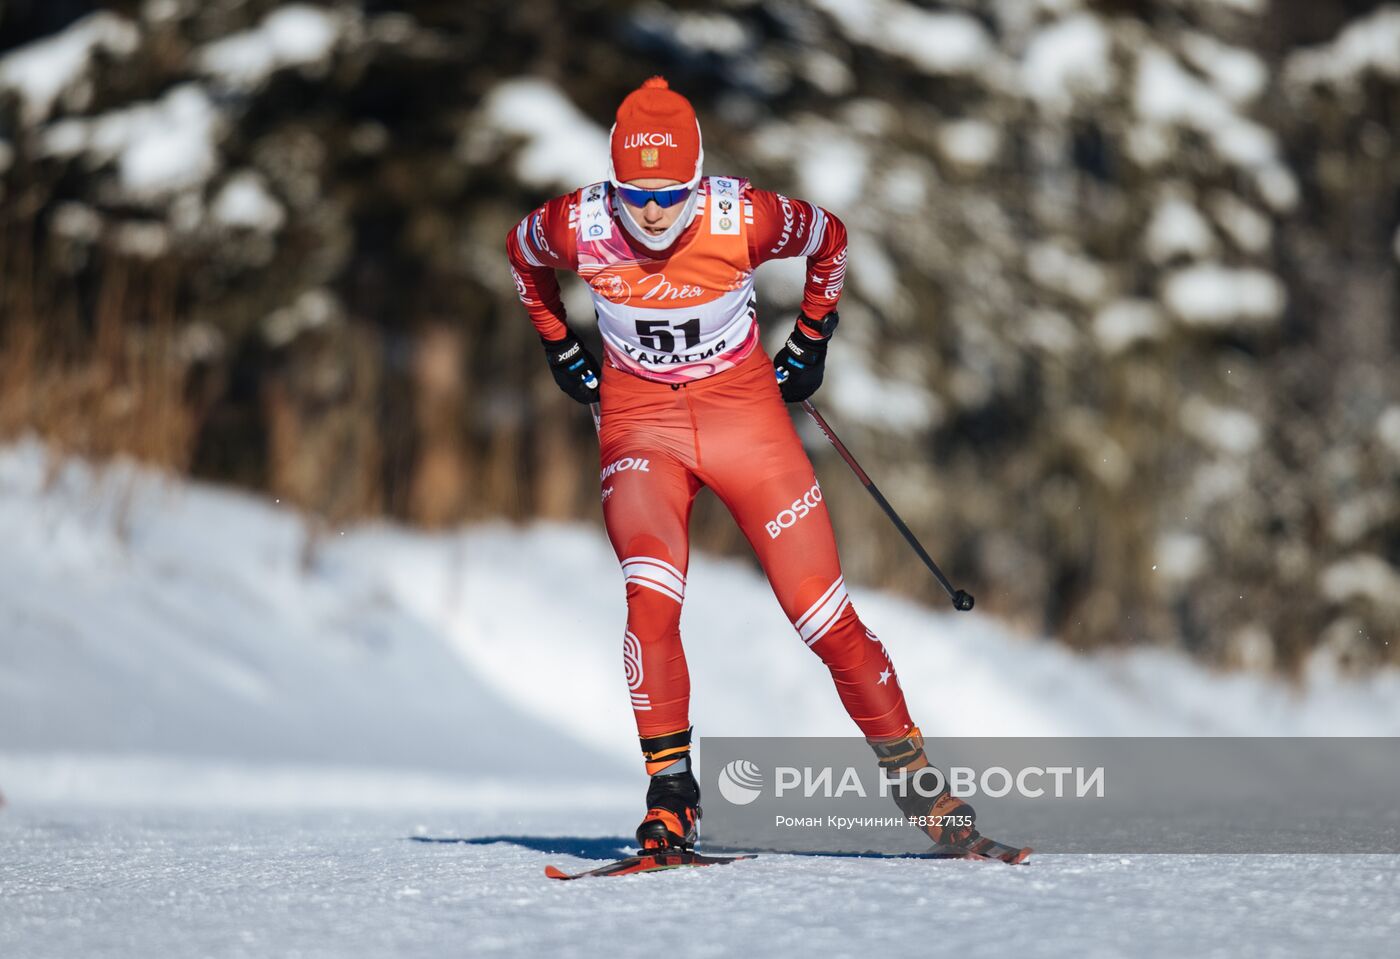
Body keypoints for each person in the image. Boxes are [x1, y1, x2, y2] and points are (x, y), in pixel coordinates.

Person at [506, 77, 975, 853]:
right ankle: (671, 797)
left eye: (670, 193)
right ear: (612, 182)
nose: (652, 212)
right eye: (635, 192)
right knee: (649, 602)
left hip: (744, 420)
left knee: (822, 619)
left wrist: (812, 338)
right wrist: (560, 346)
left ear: (697, 179)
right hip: (640, 426)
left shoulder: (744, 216)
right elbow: (522, 260)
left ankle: (919, 783)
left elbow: (830, 238)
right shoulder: (577, 221)